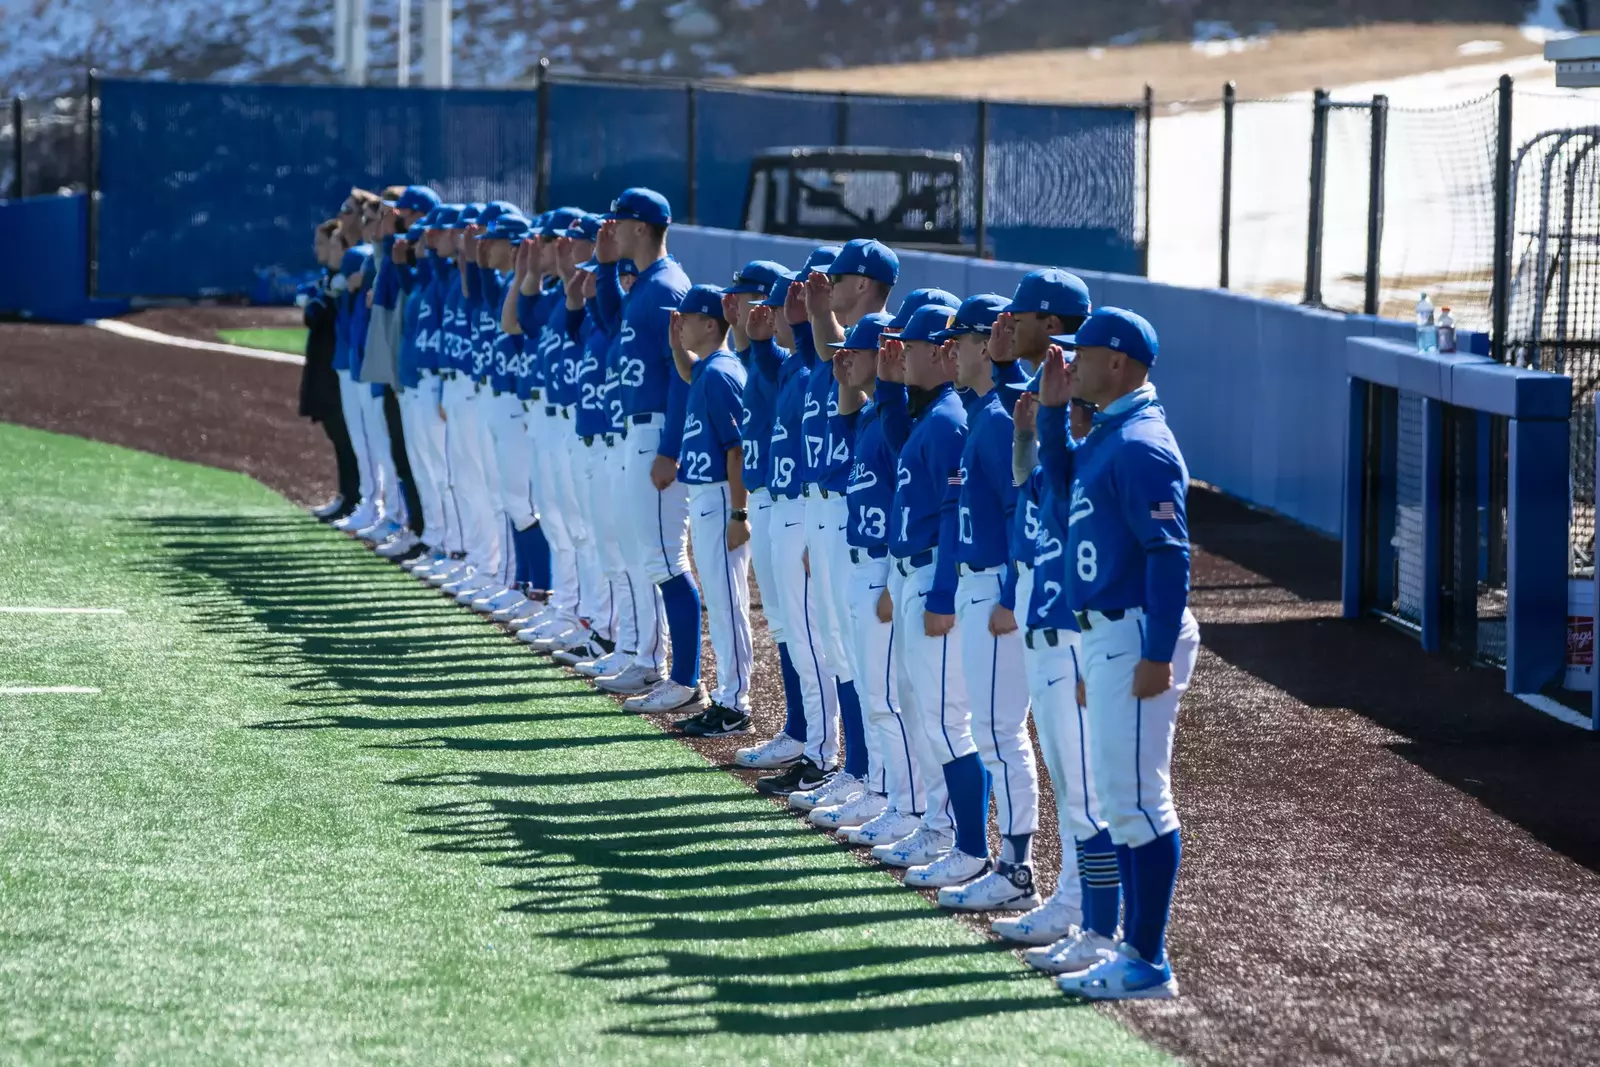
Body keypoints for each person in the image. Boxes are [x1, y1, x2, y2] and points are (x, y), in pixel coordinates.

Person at [1037, 308, 1200, 1002]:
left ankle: (1147, 958)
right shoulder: (1108, 432)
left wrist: (1155, 652)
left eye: (1084, 355)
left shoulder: (1140, 443)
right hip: (1107, 631)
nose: (1071, 365)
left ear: (1120, 362)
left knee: (1137, 801)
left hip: (1136, 631)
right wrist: (1051, 414)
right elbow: (1053, 497)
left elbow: (1170, 553)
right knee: (1117, 797)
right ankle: (1123, 945)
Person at [927, 291, 1046, 912]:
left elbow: (1021, 510)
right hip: (977, 584)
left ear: (984, 345)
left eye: (959, 340)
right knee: (991, 729)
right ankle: (1002, 859)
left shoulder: (1000, 419)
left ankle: (1018, 868)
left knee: (1002, 731)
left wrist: (1007, 595)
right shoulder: (985, 413)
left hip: (997, 585)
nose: (949, 351)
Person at [870, 301, 973, 876]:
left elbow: (957, 516)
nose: (900, 356)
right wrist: (887, 388)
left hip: (936, 576)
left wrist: (941, 594)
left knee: (943, 717)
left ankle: (958, 838)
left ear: (941, 352)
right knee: (918, 709)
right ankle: (936, 827)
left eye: (909, 348)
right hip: (910, 571)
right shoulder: (931, 415)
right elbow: (895, 446)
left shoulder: (951, 420)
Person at [591, 188, 699, 710]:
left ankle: (683, 677)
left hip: (656, 429)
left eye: (616, 221)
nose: (608, 229)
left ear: (639, 226)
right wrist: (606, 269)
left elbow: (683, 375)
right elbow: (612, 325)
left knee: (665, 557)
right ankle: (647, 659)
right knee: (642, 553)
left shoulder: (667, 287)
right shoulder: (647, 285)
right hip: (637, 426)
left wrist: (671, 447)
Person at [665, 285, 754, 733]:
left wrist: (740, 514)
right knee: (720, 603)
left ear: (710, 322)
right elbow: (689, 373)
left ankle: (735, 705)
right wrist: (674, 345)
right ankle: (727, 696)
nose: (679, 322)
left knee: (727, 604)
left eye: (686, 317)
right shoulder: (708, 369)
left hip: (722, 496)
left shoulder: (722, 373)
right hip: (707, 495)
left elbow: (737, 450)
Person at [300, 219, 359, 522]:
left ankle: (353, 497)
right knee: (339, 436)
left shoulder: (342, 282)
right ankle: (346, 495)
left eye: (332, 245)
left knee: (348, 437)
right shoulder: (328, 280)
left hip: (339, 365)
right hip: (327, 364)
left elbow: (323, 318)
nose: (323, 250)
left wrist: (320, 304)